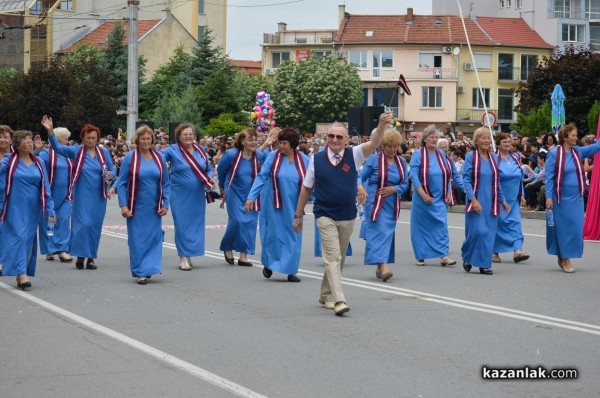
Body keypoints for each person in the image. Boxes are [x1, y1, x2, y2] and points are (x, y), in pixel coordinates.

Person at [293, 113, 390, 316]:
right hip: (324, 213)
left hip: (347, 214)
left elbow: (373, 144)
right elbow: (306, 188)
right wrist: (298, 214)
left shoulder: (353, 154)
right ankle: (339, 299)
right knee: (333, 257)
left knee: (340, 258)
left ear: (347, 140)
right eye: (331, 136)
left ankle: (325, 295)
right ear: (326, 138)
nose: (335, 140)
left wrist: (381, 124)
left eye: (339, 137)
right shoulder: (316, 159)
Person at [43, 116, 116, 270]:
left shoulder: (103, 153)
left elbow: (112, 168)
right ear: (82, 138)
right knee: (83, 225)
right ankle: (80, 255)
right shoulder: (76, 151)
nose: (91, 141)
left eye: (94, 138)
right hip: (82, 194)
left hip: (99, 195)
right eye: (88, 138)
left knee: (94, 226)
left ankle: (90, 258)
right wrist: (50, 131)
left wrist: (111, 174)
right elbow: (57, 148)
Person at [244, 127, 309, 282]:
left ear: (293, 144)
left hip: (295, 206)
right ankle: (269, 263)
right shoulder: (273, 157)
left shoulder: (305, 161)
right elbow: (261, 177)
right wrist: (251, 197)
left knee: (294, 236)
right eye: (280, 142)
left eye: (284, 143)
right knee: (273, 236)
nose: (281, 146)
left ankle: (291, 270)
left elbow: (311, 183)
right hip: (275, 204)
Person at [0, 130, 54, 289]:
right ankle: (21, 273)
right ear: (17, 144)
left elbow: (46, 188)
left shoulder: (39, 162)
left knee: (28, 240)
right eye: (26, 140)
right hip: (14, 207)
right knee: (19, 237)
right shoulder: (10, 160)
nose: (29, 143)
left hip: (33, 208)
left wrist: (50, 210)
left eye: (30, 140)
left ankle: (20, 271)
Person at [117, 125, 170, 284]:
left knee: (153, 239)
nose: (146, 141)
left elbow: (166, 183)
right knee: (138, 239)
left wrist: (165, 204)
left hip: (154, 206)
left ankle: (148, 268)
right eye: (143, 139)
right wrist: (123, 205)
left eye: (148, 138)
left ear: (152, 140)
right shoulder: (130, 157)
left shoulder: (159, 157)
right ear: (137, 140)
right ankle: (140, 271)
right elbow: (121, 184)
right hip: (136, 205)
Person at [545, 124, 600, 273]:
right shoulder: (554, 153)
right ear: (564, 137)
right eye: (574, 135)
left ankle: (563, 254)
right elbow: (549, 177)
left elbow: (596, 147)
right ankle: (565, 258)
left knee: (575, 228)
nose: (576, 138)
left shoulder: (578, 151)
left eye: (576, 135)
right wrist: (548, 197)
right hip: (559, 198)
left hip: (576, 198)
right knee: (563, 229)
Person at [160, 123, 215, 271]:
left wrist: (209, 179)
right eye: (185, 134)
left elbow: (208, 169)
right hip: (179, 194)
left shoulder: (201, 150)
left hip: (197, 194)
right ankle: (183, 257)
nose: (189, 137)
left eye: (191, 134)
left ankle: (189, 252)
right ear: (178, 136)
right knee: (182, 224)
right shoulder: (172, 150)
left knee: (196, 224)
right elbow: (157, 157)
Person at [409, 125, 463, 267]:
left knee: (441, 225)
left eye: (436, 137)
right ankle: (421, 255)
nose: (434, 139)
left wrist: (468, 191)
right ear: (425, 139)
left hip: (440, 197)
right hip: (422, 198)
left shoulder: (443, 155)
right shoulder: (418, 154)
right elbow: (413, 174)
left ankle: (443, 255)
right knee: (421, 227)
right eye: (431, 137)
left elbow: (454, 176)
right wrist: (423, 194)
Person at [360, 129, 409, 282]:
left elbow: (406, 184)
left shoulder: (401, 162)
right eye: (389, 146)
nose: (393, 150)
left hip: (392, 203)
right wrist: (360, 187)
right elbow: (359, 176)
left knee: (386, 234)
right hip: (375, 203)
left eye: (395, 146)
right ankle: (383, 265)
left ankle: (380, 266)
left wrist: (396, 188)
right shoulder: (374, 160)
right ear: (382, 146)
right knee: (378, 232)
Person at [461, 127, 510, 275]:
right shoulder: (471, 156)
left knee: (488, 234)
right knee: (478, 232)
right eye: (483, 137)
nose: (486, 140)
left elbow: (497, 181)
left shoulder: (495, 158)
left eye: (488, 138)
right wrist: (473, 200)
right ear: (476, 140)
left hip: (491, 201)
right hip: (476, 200)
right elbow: (466, 179)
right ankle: (468, 254)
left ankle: (484, 264)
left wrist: (503, 200)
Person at [218, 128, 266, 266]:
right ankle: (228, 246)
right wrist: (223, 187)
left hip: (251, 192)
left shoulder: (259, 155)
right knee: (238, 220)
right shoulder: (231, 155)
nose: (254, 142)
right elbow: (221, 170)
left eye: (256, 140)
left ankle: (244, 255)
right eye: (251, 140)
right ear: (243, 141)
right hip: (233, 190)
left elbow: (268, 166)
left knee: (250, 223)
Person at [36, 128, 73, 263]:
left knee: (63, 220)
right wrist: (37, 151)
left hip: (65, 195)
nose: (68, 142)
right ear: (57, 140)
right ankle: (49, 249)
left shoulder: (68, 155)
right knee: (49, 222)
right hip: (49, 194)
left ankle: (63, 250)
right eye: (66, 139)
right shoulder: (46, 154)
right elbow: (37, 167)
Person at [492, 133, 530, 264]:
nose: (508, 144)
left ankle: (517, 251)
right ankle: (494, 252)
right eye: (504, 142)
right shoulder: (493, 159)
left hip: (514, 199)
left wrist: (522, 194)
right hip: (498, 199)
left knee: (516, 223)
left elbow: (520, 178)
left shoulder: (516, 157)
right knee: (498, 225)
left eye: (509, 142)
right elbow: (494, 181)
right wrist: (501, 199)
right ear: (497, 144)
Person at [0, 124, 14, 276]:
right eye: (0, 137)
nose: (2, 140)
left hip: (13, 197)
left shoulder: (17, 155)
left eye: (5, 137)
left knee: (11, 229)